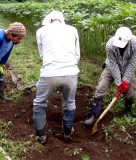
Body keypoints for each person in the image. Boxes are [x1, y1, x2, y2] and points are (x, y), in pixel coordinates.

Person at [33, 10, 80, 144]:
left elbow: (42, 54)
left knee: (40, 103)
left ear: (49, 20)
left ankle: (41, 136)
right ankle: (67, 133)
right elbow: (77, 54)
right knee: (69, 102)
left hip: (49, 73)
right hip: (71, 72)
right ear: (61, 20)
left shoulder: (41, 31)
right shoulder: (72, 30)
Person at [84, 27, 136, 126]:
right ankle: (94, 115)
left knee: (131, 94)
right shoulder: (110, 45)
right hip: (111, 67)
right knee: (101, 88)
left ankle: (126, 112)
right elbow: (112, 64)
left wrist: (126, 80)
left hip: (128, 68)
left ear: (129, 40)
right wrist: (119, 82)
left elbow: (133, 62)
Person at [0, 22, 26, 102]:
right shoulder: (0, 37)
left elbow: (6, 54)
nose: (20, 41)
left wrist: (2, 64)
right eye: (19, 38)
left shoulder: (12, 42)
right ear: (11, 34)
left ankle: (1, 95)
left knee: (1, 78)